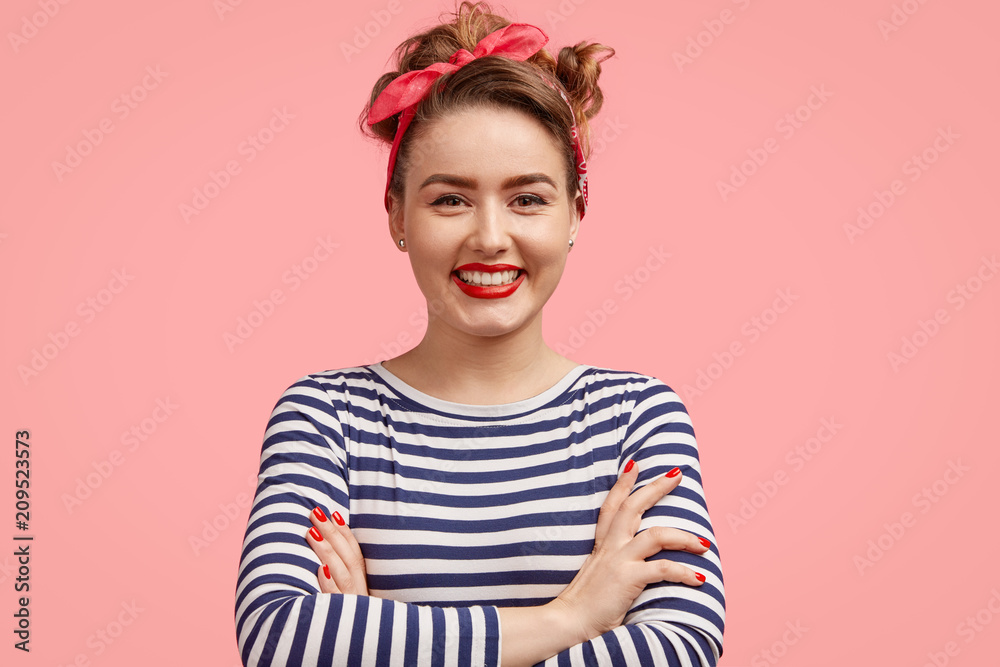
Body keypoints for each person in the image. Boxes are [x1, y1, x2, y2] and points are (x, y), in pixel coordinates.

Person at [234, 2, 725, 665]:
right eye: (450, 199)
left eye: (527, 198)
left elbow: (682, 645)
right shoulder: (326, 418)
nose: (490, 237)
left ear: (576, 214)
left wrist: (377, 635)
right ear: (397, 215)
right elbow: (282, 637)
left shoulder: (637, 417)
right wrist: (572, 615)